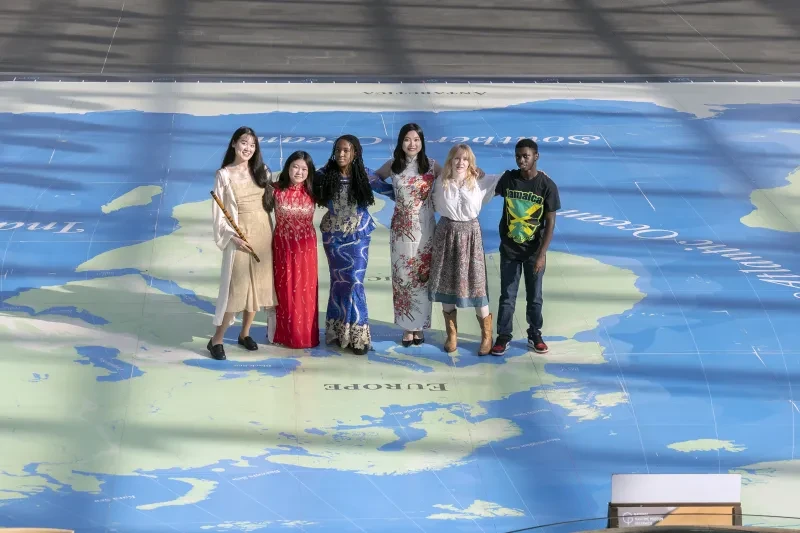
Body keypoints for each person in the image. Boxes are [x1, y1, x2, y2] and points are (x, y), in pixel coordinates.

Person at [313, 135, 389, 355]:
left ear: (355, 153)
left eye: (346, 150)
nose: (341, 154)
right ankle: (338, 332)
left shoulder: (364, 174)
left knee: (355, 282)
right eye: (338, 150)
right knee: (338, 282)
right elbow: (302, 183)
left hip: (358, 235)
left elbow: (390, 190)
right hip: (333, 237)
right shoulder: (324, 174)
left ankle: (358, 337)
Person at [209, 126, 277, 360]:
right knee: (236, 290)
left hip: (263, 234)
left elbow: (270, 202)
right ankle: (216, 340)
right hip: (240, 237)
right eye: (244, 143)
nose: (248, 148)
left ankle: (244, 333)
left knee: (258, 287)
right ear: (234, 144)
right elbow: (219, 213)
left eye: (252, 144)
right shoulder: (223, 175)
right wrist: (233, 237)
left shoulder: (262, 171)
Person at [371, 123, 441, 347]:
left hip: (425, 228)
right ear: (401, 142)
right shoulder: (394, 165)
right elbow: (373, 179)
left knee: (422, 276)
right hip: (401, 228)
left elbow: (452, 179)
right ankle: (406, 327)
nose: (412, 144)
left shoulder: (431, 166)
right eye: (408, 140)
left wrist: (475, 172)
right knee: (402, 276)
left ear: (422, 142)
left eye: (416, 140)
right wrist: (392, 193)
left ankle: (419, 326)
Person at [428, 143, 500, 356]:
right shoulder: (440, 181)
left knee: (477, 284)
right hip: (446, 233)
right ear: (450, 160)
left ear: (471, 163)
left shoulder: (479, 180)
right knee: (446, 283)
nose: (461, 162)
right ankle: (452, 334)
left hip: (470, 235)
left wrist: (538, 175)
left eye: (465, 159)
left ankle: (486, 336)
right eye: (457, 158)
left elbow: (504, 179)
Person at [491, 139, 560, 356]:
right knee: (507, 296)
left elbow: (550, 223)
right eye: (518, 156)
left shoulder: (547, 186)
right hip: (510, 251)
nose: (521, 160)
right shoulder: (508, 179)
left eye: (526, 156)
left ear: (536, 156)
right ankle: (503, 336)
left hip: (534, 253)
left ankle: (535, 334)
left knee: (535, 297)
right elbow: (485, 188)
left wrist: (541, 255)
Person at [271, 151, 320, 349]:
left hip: (306, 250)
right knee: (284, 290)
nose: (299, 172)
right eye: (295, 167)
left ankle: (306, 335)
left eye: (304, 169)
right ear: (288, 168)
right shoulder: (274, 190)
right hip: (282, 247)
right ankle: (284, 334)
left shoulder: (314, 190)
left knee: (305, 291)